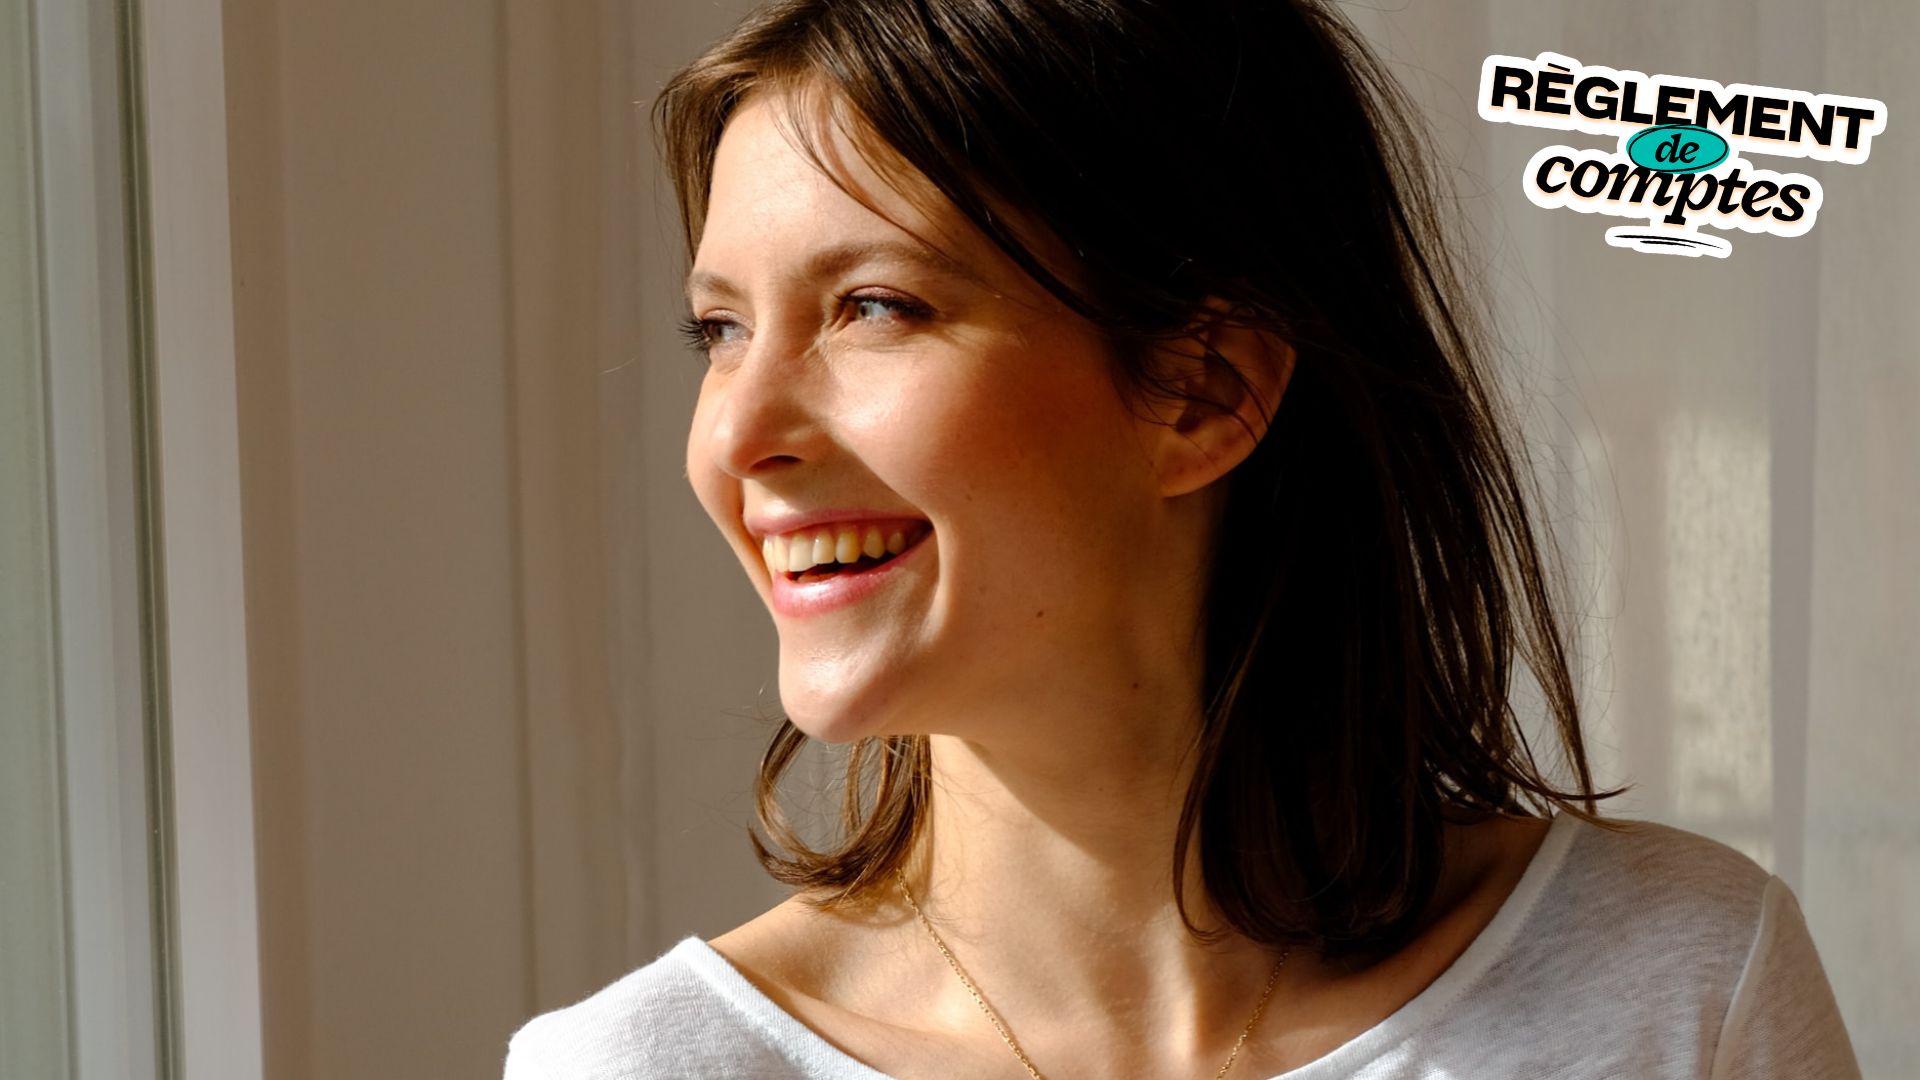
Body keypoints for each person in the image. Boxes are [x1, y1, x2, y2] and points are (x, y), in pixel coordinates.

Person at [505, 1, 1861, 1076]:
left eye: (875, 306)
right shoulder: (634, 1068)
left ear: (1205, 392)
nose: (737, 437)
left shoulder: (1677, 985)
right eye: (719, 329)